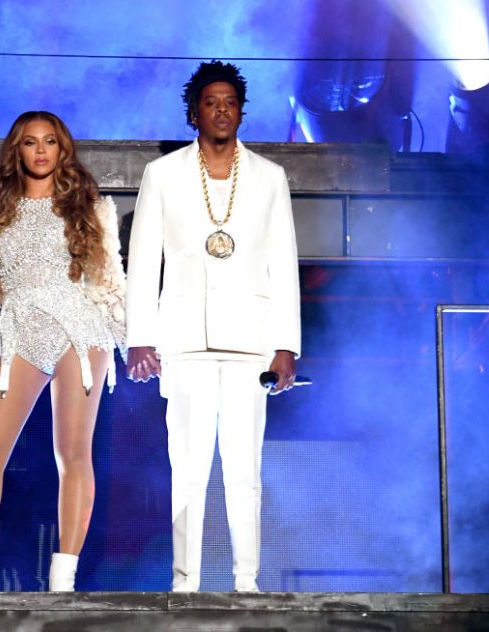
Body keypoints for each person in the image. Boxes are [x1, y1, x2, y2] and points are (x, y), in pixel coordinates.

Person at [125, 61, 301, 593]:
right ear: (194, 112)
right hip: (185, 342)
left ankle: (247, 582)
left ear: (240, 110)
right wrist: (140, 337)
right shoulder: (164, 174)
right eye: (210, 101)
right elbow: (144, 257)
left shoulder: (270, 177)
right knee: (189, 469)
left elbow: (283, 262)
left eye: (229, 101)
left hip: (251, 343)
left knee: (244, 469)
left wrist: (286, 345)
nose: (221, 109)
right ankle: (185, 582)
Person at [0, 111, 126, 592]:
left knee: (73, 452)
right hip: (19, 332)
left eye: (50, 141)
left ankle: (63, 577)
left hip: (80, 330)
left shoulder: (90, 209)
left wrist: (133, 344)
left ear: (62, 149)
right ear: (18, 150)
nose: (41, 150)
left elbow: (109, 281)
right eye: (31, 142)